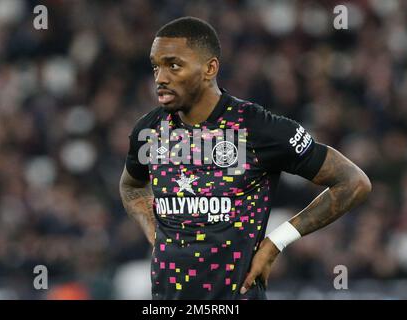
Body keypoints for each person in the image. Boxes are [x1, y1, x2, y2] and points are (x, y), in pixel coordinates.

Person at [119, 16, 371, 300]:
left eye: (173, 65)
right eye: (156, 67)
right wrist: (154, 233)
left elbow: (353, 182)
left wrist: (275, 243)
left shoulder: (258, 127)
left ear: (210, 68)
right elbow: (131, 185)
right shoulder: (149, 129)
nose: (160, 78)